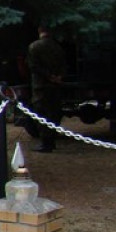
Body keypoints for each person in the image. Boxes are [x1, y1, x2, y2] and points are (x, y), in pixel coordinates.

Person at [26, 25, 66, 153]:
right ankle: (52, 140)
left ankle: (46, 142)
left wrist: (49, 76)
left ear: (39, 31)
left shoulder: (34, 47)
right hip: (55, 85)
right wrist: (58, 77)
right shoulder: (57, 47)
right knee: (54, 112)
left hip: (40, 86)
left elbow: (34, 66)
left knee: (41, 113)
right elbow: (63, 64)